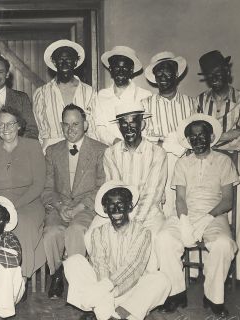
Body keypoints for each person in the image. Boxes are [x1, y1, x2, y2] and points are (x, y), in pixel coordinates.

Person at [85, 101, 186, 313]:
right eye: (123, 124)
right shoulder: (111, 153)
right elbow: (113, 189)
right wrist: (119, 218)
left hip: (148, 212)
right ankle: (105, 286)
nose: (129, 128)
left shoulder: (156, 153)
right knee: (92, 233)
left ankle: (151, 291)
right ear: (118, 126)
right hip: (118, 210)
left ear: (142, 124)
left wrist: (133, 224)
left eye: (133, 123)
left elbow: (152, 192)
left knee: (155, 238)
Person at [64, 181, 171, 320]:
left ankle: (115, 314)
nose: (116, 210)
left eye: (120, 204)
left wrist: (103, 288)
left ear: (130, 206)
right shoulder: (98, 233)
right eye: (111, 205)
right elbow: (100, 266)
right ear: (105, 209)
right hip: (104, 295)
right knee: (74, 261)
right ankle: (110, 314)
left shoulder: (142, 233)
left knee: (162, 280)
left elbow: (132, 267)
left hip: (130, 293)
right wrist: (105, 292)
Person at [196, 50, 240, 281]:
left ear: (227, 72)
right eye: (211, 74)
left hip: (239, 168)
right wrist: (228, 135)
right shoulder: (201, 101)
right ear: (207, 78)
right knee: (212, 215)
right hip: (210, 169)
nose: (216, 77)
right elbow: (198, 135)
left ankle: (239, 273)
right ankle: (210, 270)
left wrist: (216, 142)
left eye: (220, 72)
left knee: (238, 221)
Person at [173, 114, 238, 317]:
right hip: (188, 214)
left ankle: (213, 298)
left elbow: (228, 200)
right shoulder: (182, 163)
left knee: (223, 244)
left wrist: (208, 217)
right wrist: (184, 222)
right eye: (193, 137)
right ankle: (176, 294)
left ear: (210, 137)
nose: (198, 140)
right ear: (188, 140)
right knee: (163, 238)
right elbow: (180, 199)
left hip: (215, 215)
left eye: (202, 135)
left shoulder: (223, 161)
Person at [42, 104, 107, 299]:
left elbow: (101, 187)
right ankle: (57, 273)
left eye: (76, 124)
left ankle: (77, 280)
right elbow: (47, 188)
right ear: (61, 126)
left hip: (86, 206)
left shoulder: (100, 150)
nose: (71, 129)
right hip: (59, 206)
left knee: (75, 231)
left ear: (85, 125)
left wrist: (80, 206)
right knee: (51, 232)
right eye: (66, 124)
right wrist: (60, 206)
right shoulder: (52, 151)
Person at [0, 106, 46, 282]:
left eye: (11, 124)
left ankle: (21, 279)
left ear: (19, 126)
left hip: (29, 203)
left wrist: (13, 207)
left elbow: (38, 184)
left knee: (23, 223)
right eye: (1, 125)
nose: (6, 128)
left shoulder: (33, 146)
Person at [142, 52, 196, 219]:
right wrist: (174, 141)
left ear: (177, 74)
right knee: (163, 214)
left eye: (167, 72)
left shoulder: (191, 104)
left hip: (187, 163)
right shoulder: (145, 105)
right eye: (159, 73)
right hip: (159, 165)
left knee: (187, 212)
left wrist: (163, 140)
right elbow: (145, 140)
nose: (163, 76)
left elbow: (195, 137)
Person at [33, 40, 96, 152]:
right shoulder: (41, 93)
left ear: (76, 62)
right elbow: (38, 129)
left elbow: (93, 129)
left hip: (83, 150)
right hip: (51, 151)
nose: (65, 63)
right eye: (60, 60)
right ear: (54, 62)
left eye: (69, 59)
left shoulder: (89, 92)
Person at [93, 46, 151, 146]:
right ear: (110, 69)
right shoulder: (102, 96)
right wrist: (116, 142)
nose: (120, 72)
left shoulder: (145, 95)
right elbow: (99, 127)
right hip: (110, 150)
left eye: (124, 68)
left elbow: (148, 128)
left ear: (131, 70)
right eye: (116, 68)